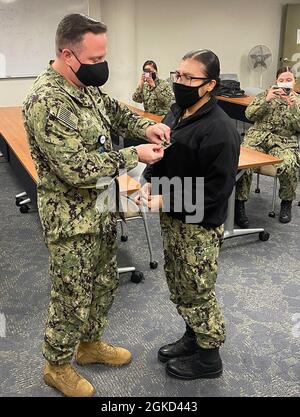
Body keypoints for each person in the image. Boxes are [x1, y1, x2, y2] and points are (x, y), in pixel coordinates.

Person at [22, 13, 170, 397]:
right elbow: (76, 169)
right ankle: (56, 365)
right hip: (70, 216)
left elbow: (115, 111)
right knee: (71, 291)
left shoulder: (84, 87)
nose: (100, 66)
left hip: (102, 205)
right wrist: (132, 154)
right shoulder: (48, 100)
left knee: (103, 282)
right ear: (68, 55)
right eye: (93, 60)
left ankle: (89, 347)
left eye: (103, 56)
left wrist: (144, 126)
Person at [136, 50, 240, 379]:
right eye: (177, 75)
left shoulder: (220, 130)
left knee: (197, 289)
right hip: (175, 219)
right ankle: (193, 336)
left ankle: (209, 357)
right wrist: (150, 181)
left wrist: (166, 200)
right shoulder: (177, 111)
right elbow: (163, 153)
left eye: (188, 78)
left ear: (209, 85)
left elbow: (216, 191)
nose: (180, 82)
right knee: (180, 284)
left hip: (199, 224)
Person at [235, 67, 300, 227]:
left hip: (283, 141)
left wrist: (293, 107)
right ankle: (239, 205)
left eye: (289, 79)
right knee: (243, 163)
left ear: (295, 81)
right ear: (276, 81)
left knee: (289, 163)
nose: (286, 83)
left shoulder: (298, 100)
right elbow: (249, 115)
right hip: (258, 138)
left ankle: (286, 202)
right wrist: (266, 100)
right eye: (282, 80)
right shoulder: (265, 94)